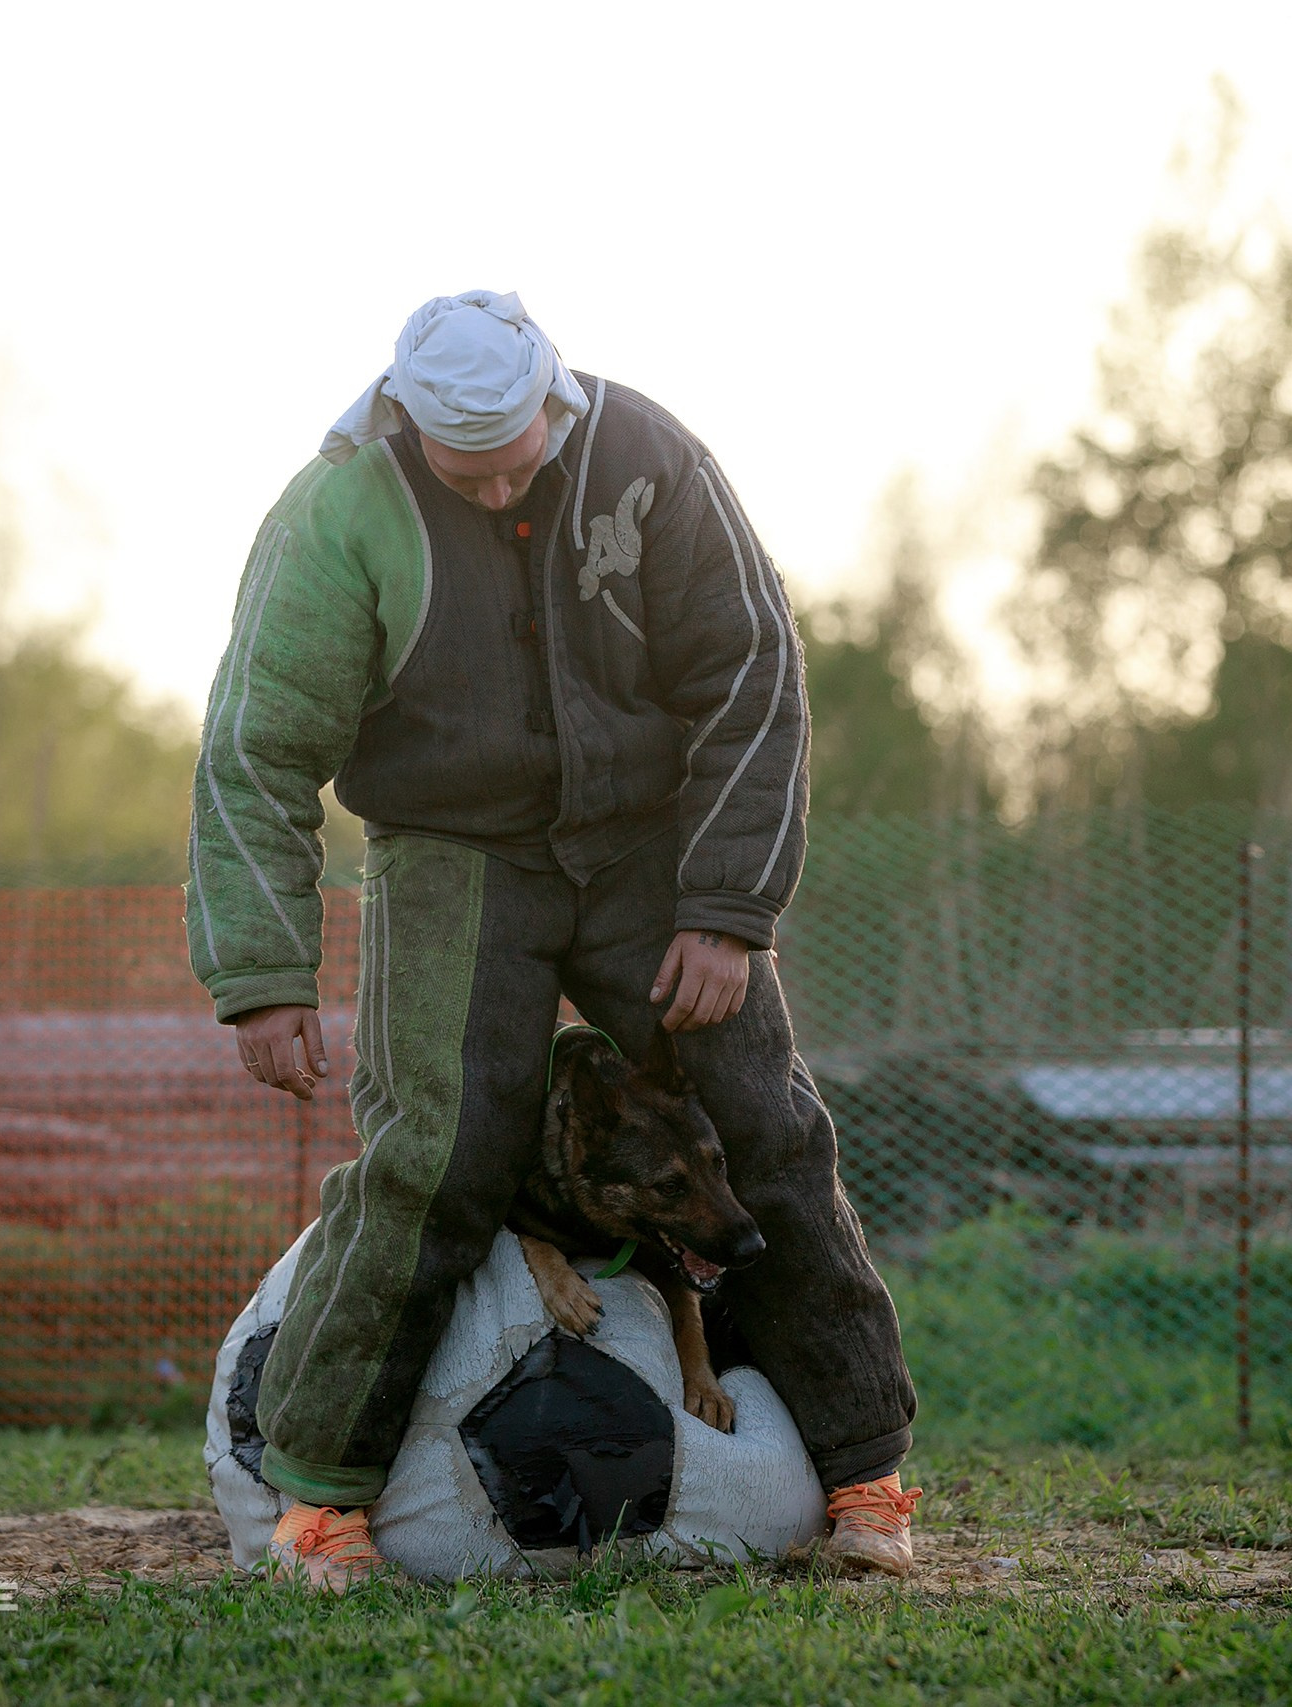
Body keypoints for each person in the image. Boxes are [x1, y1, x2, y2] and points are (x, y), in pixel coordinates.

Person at [188, 291, 919, 1590]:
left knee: (763, 1123)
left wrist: (726, 909)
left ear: (556, 398)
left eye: (523, 446)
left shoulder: (651, 458)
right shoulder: (336, 514)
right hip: (453, 851)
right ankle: (320, 1500)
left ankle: (865, 1471)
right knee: (438, 1155)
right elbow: (257, 747)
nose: (503, 476)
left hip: (648, 845)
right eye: (469, 463)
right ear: (407, 419)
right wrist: (262, 972)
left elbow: (751, 674)